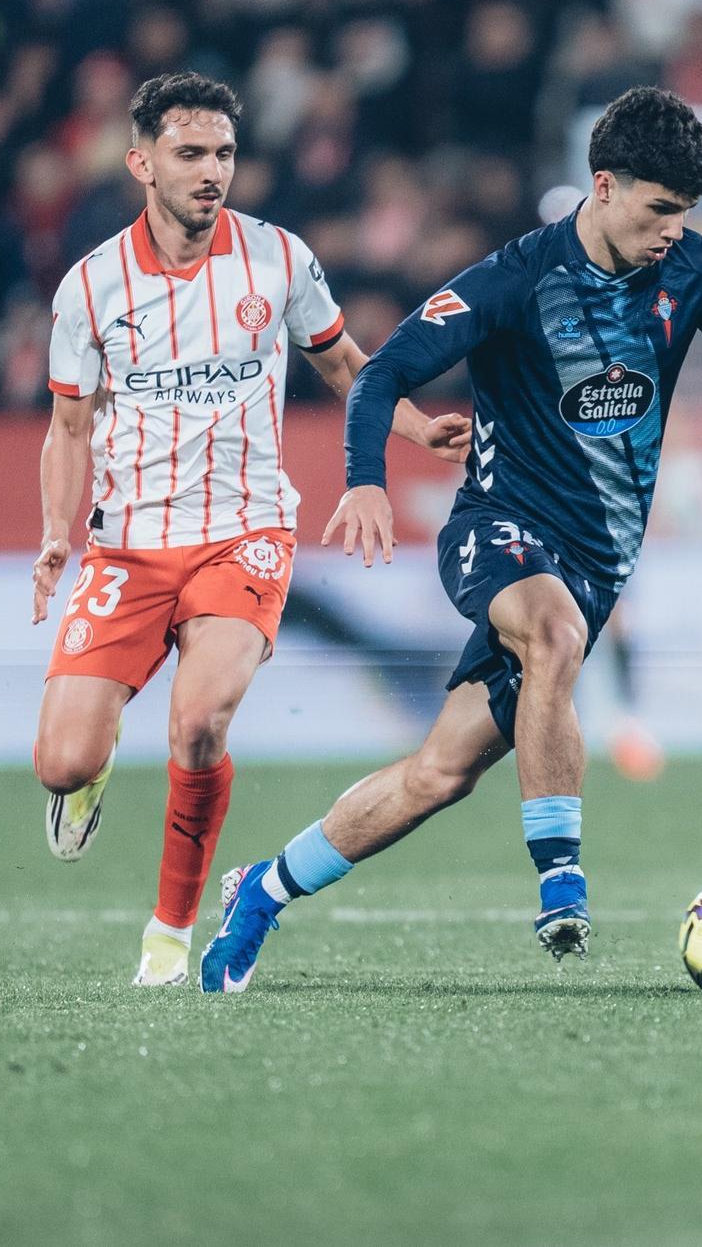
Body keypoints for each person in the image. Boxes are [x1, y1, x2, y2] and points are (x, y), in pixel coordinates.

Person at [199, 86, 702, 994]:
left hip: (597, 562)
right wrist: (367, 479)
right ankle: (561, 877)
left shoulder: (694, 269)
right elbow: (384, 371)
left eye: (685, 213)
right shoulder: (515, 279)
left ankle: (263, 889)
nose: (674, 229)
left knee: (438, 775)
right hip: (496, 527)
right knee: (551, 634)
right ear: (604, 185)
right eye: (660, 208)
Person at [31, 70, 469, 988]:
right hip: (127, 541)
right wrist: (54, 534)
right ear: (141, 161)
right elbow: (70, 426)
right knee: (62, 761)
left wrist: (418, 424)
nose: (212, 171)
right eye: (191, 154)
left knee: (200, 723)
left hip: (247, 530)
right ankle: (96, 768)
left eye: (224, 153)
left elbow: (345, 361)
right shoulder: (91, 285)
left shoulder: (277, 257)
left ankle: (170, 929)